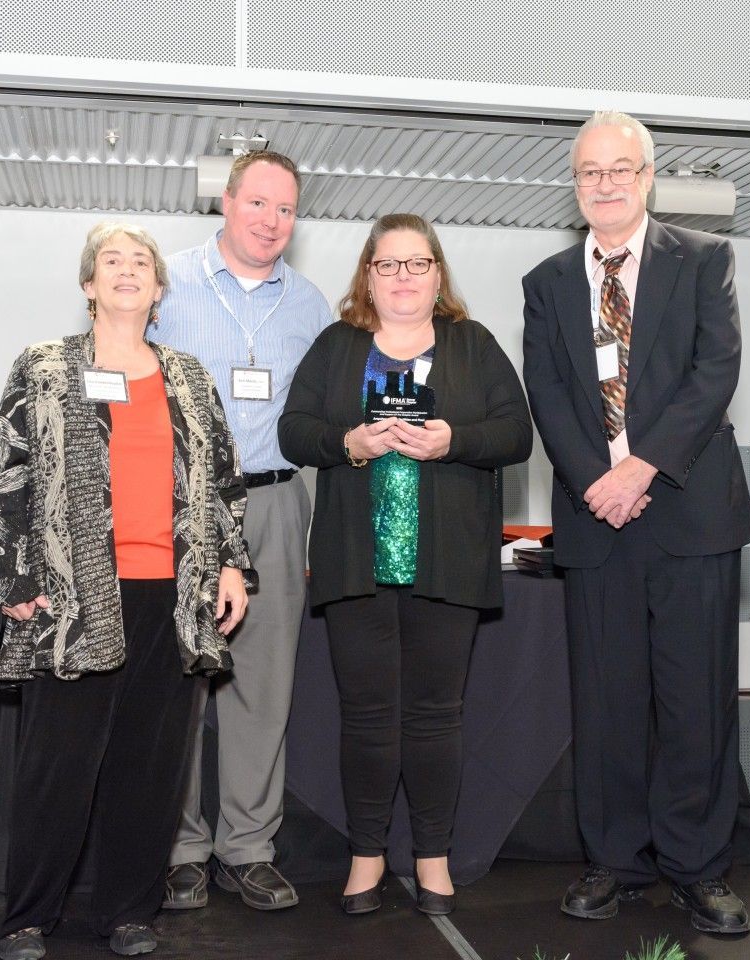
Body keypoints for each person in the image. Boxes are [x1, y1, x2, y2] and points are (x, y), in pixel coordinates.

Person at [0, 222, 251, 960]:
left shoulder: (189, 376)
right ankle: (28, 917)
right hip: (72, 597)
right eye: (112, 261)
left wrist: (232, 566)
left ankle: (130, 912)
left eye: (142, 263)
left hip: (170, 594)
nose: (128, 271)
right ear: (89, 284)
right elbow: (7, 475)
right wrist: (15, 580)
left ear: (160, 289)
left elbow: (224, 484)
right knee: (56, 765)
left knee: (150, 765)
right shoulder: (43, 367)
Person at [521, 111, 750, 935]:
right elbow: (548, 394)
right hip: (596, 521)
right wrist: (598, 483)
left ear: (649, 176)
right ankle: (614, 861)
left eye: (621, 169)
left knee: (696, 704)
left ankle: (699, 868)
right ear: (576, 183)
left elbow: (715, 369)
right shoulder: (547, 282)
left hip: (689, 515)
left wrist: (641, 466)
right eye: (590, 172)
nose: (606, 184)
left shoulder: (704, 259)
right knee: (607, 703)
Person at [279, 213, 533, 916]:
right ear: (368, 274)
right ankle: (365, 857)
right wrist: (350, 441)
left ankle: (432, 857)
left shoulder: (472, 345)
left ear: (438, 273)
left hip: (447, 563)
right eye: (387, 265)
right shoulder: (337, 346)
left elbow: (517, 434)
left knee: (434, 717)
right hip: (356, 561)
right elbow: (293, 431)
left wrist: (453, 439)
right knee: (364, 717)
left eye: (416, 264)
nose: (402, 278)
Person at [152, 150, 334, 912]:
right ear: (226, 203)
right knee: (183, 681)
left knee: (264, 684)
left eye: (286, 210)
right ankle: (180, 848)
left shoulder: (311, 304)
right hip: (181, 508)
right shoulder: (170, 285)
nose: (271, 221)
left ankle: (248, 848)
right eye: (258, 203)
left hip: (278, 503)